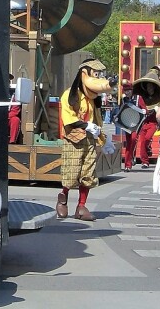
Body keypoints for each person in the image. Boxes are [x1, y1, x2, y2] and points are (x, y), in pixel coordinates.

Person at [56, 58, 110, 221]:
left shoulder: (93, 99)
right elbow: (68, 118)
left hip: (89, 139)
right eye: (95, 74)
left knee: (88, 173)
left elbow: (97, 120)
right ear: (84, 74)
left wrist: (103, 139)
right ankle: (63, 199)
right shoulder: (69, 95)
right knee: (71, 172)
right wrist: (86, 125)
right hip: (74, 138)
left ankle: (81, 205)